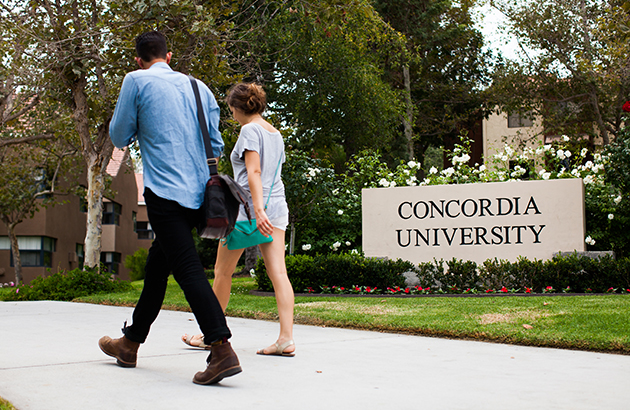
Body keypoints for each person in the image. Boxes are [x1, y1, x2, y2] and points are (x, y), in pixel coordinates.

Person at [99, 31, 241, 385]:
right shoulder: (199, 87)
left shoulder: (136, 80)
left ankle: (221, 348)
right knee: (157, 267)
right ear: (169, 55)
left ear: (138, 59)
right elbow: (217, 142)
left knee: (188, 269)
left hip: (165, 194)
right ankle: (129, 343)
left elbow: (119, 136)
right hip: (203, 194)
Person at [182, 83, 295, 356]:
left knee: (222, 272)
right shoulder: (275, 133)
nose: (230, 114)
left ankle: (212, 335)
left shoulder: (249, 130)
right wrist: (264, 209)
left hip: (249, 211)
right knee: (279, 272)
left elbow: (253, 171)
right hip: (276, 206)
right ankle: (286, 339)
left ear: (236, 107)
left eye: (230, 109)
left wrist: (257, 210)